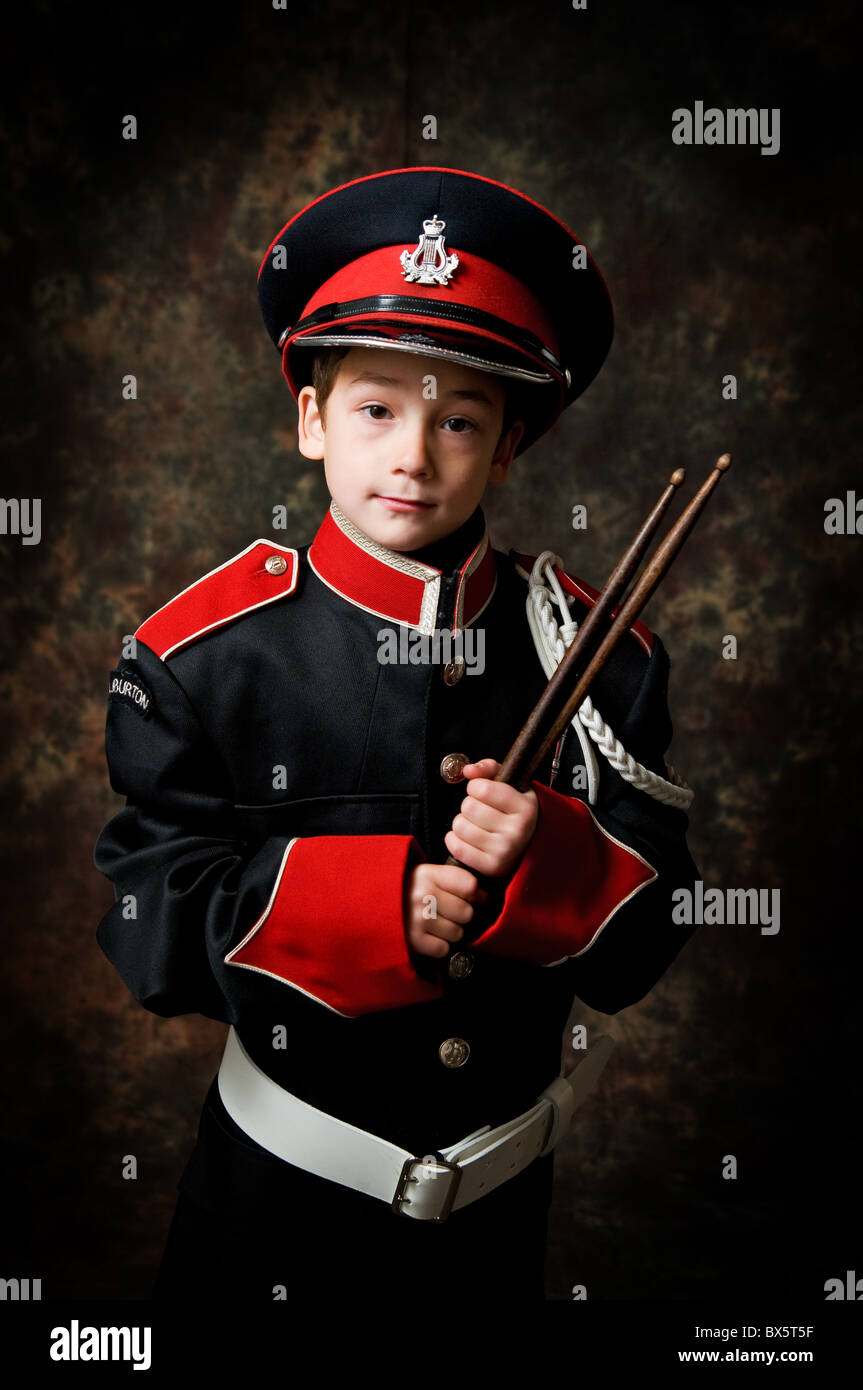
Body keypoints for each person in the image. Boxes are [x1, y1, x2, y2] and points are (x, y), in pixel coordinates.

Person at [93, 166, 701, 1302]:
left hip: (500, 1231)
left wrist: (552, 860)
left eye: (457, 419)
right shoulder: (202, 657)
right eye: (377, 408)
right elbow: (144, 922)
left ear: (507, 447)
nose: (413, 455)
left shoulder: (601, 656)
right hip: (268, 1217)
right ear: (312, 418)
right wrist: (367, 909)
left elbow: (653, 934)